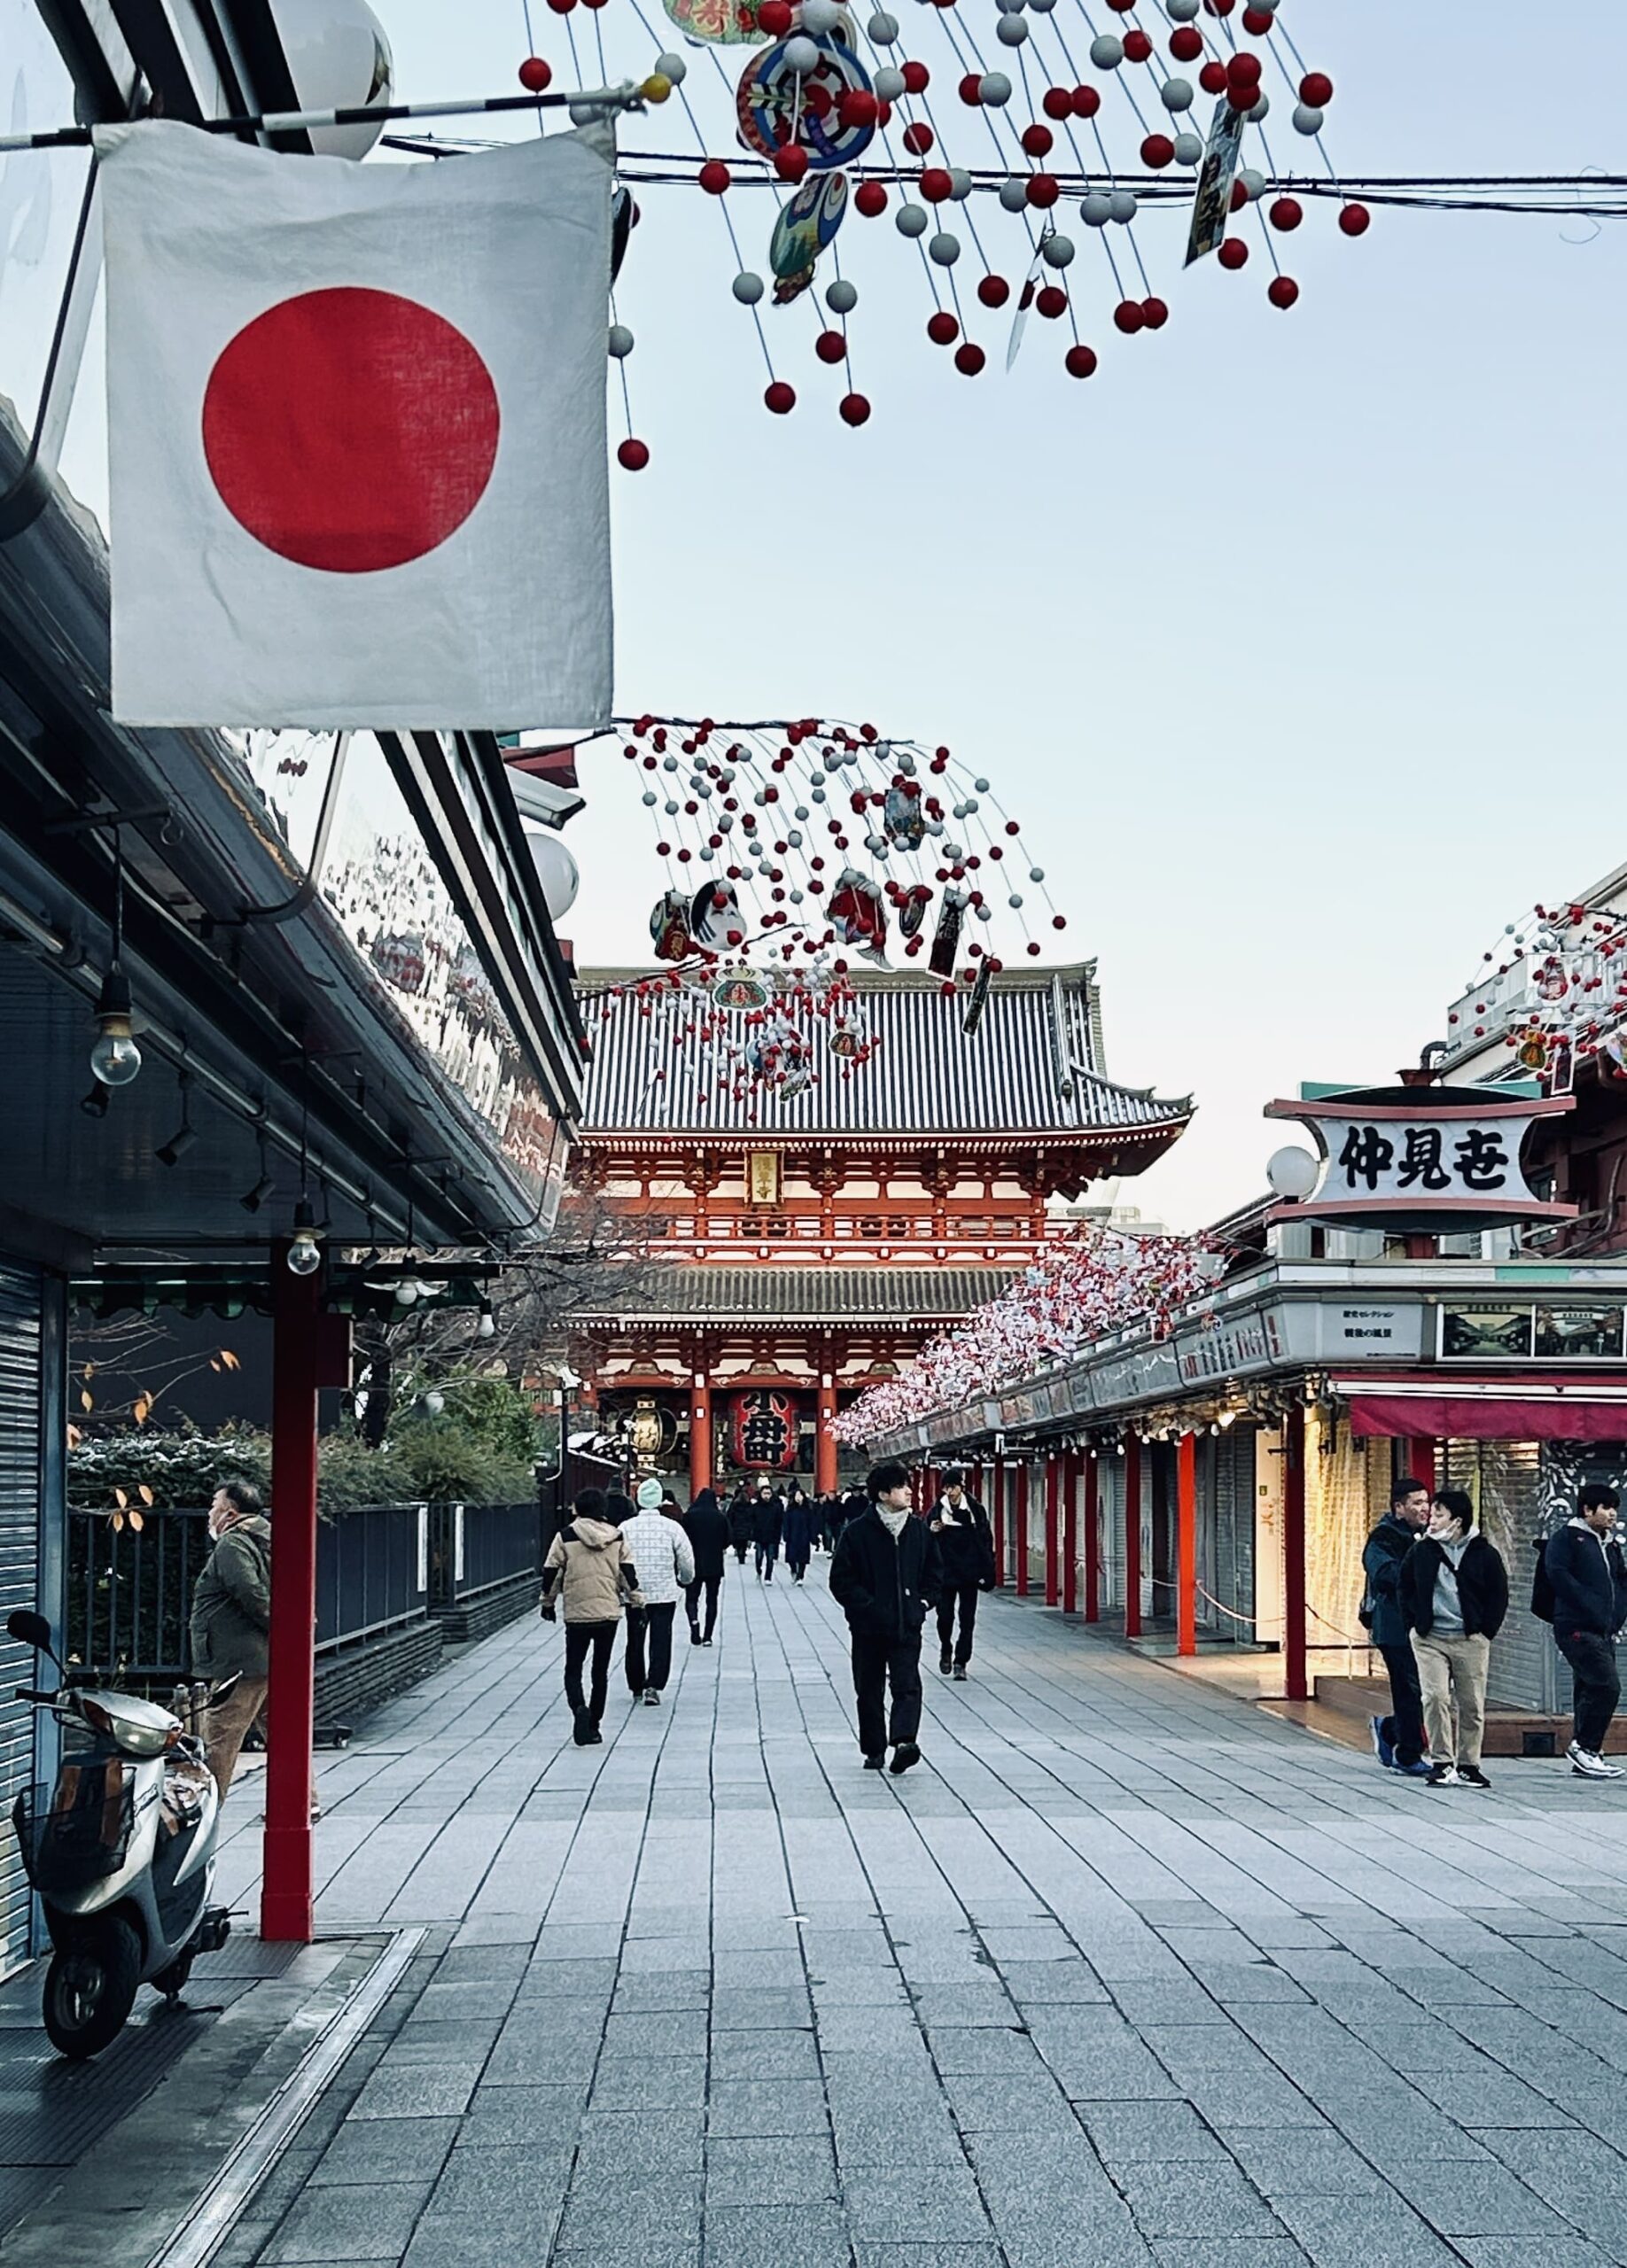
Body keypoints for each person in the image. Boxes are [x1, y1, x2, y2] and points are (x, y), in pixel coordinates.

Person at [829, 1460, 942, 1775]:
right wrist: (866, 1607)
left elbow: (934, 1572)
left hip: (907, 1624)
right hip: (868, 1628)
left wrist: (922, 1603)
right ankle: (874, 1748)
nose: (908, 1491)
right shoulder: (857, 1533)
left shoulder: (918, 1531)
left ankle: (904, 1742)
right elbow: (841, 1580)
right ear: (882, 1494)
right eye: (901, 1486)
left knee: (907, 1685)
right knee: (868, 1689)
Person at [1400, 1487, 1507, 1790]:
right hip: (1430, 1638)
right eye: (1432, 1514)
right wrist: (1413, 1624)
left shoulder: (1484, 1553)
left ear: (1457, 1520)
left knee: (1471, 1704)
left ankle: (1469, 1765)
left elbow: (1499, 1594)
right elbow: (1404, 1587)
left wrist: (1485, 1632)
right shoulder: (1422, 1550)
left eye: (1439, 1515)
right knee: (1435, 1697)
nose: (1431, 1520)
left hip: (1470, 1639)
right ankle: (1442, 1762)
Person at [541, 1485, 642, 1745]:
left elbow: (552, 1572)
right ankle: (594, 1725)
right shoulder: (616, 1536)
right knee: (600, 1671)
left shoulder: (565, 1536)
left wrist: (547, 1603)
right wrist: (637, 1602)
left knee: (573, 1668)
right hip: (608, 1613)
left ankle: (579, 1708)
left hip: (577, 1613)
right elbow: (627, 1573)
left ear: (578, 1508)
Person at [189, 1479, 271, 1796]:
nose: (210, 1512)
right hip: (265, 1655)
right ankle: (306, 1800)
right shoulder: (266, 1538)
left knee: (221, 1735)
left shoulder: (233, 1544)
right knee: (283, 1734)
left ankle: (210, 1804)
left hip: (239, 1659)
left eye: (214, 1505)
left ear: (231, 1513)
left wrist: (276, 1625)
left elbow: (248, 1590)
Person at [1543, 1482, 1627, 1781]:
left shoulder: (1609, 1544)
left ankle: (1585, 1752)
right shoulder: (1567, 1538)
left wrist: (1617, 1615)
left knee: (1588, 1687)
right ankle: (1585, 1747)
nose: (1612, 1514)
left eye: (1614, 1508)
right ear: (1587, 1510)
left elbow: (1620, 1581)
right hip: (1576, 1627)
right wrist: (1590, 1605)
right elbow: (1558, 1575)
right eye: (1605, 1508)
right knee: (1606, 1686)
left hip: (1604, 1629)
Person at [1362, 1474, 1434, 1780]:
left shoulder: (1428, 1535)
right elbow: (1384, 1575)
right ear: (1399, 1507)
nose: (1424, 1508)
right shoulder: (1384, 1537)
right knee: (1409, 1690)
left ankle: (1390, 1729)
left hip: (1423, 1626)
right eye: (1417, 1503)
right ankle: (1408, 1754)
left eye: (1427, 1502)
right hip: (1394, 1627)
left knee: (1424, 1690)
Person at [619, 1479, 695, 1706]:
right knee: (661, 1639)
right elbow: (686, 1560)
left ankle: (635, 1684)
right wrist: (684, 1579)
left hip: (635, 1593)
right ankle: (654, 1685)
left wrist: (620, 1586)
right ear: (660, 1501)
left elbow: (616, 1559)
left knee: (635, 1639)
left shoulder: (625, 1527)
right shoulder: (672, 1527)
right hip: (664, 1593)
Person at [930, 1469, 996, 1680]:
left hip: (969, 1572)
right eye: (946, 1488)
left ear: (961, 1487)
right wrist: (932, 1530)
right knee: (944, 1616)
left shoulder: (975, 1510)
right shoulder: (937, 1510)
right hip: (945, 1571)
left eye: (953, 1487)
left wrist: (987, 1568)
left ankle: (961, 1661)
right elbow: (925, 1539)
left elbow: (986, 1539)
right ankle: (946, 1647)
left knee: (967, 1619)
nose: (949, 1492)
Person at [683, 1485, 728, 1645]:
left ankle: (694, 1623)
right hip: (714, 1564)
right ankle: (708, 1635)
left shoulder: (689, 1516)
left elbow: (682, 1539)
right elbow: (728, 1539)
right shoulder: (720, 1517)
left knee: (691, 1599)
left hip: (693, 1563)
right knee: (712, 1600)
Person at [783, 1487, 817, 1584]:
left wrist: (813, 1536)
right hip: (792, 1537)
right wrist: (786, 1534)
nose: (798, 1497)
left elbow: (811, 1524)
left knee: (803, 1558)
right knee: (791, 1558)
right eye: (796, 1495)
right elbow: (786, 1524)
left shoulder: (808, 1511)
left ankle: (800, 1576)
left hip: (804, 1536)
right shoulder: (789, 1511)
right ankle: (794, 1571)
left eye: (800, 1495)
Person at [753, 1484, 783, 1581]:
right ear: (761, 1494)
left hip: (771, 1536)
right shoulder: (755, 1507)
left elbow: (779, 1523)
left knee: (770, 1558)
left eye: (768, 1493)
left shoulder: (776, 1508)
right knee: (759, 1557)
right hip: (759, 1536)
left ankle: (768, 1577)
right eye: (764, 1493)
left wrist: (778, 1536)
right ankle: (758, 1570)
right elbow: (751, 1521)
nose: (766, 1496)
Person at [727, 1487, 755, 1566]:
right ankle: (742, 1555)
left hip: (736, 1527)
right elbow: (753, 1517)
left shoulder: (734, 1506)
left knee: (738, 1543)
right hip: (746, 1527)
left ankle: (739, 1553)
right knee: (744, 1543)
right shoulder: (749, 1506)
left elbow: (730, 1516)